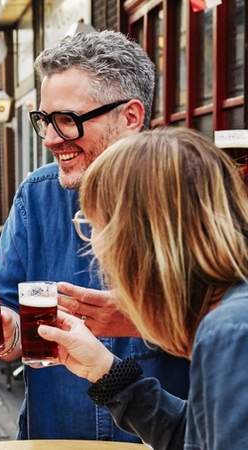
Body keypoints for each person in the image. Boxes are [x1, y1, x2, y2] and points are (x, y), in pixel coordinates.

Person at [0, 30, 190, 441]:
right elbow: (6, 322)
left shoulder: (194, 196)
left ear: (130, 117)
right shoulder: (38, 195)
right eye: (44, 120)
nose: (49, 138)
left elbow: (232, 331)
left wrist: (150, 322)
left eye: (67, 120)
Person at [38, 128, 248, 449]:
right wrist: (106, 371)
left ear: (132, 241)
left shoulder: (229, 333)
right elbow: (194, 438)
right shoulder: (226, 315)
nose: (95, 249)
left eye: (94, 226)